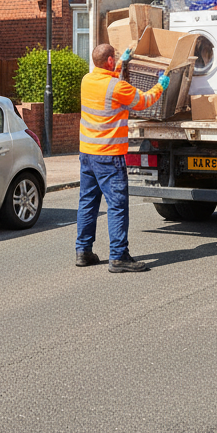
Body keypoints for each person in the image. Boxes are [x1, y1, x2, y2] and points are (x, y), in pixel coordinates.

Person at [75, 42, 169, 273]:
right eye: (114, 57)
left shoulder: (87, 80)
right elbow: (144, 101)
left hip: (88, 154)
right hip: (109, 155)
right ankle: (118, 256)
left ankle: (83, 251)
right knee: (117, 206)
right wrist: (160, 86)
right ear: (108, 61)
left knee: (88, 203)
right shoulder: (118, 87)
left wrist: (121, 63)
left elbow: (108, 86)